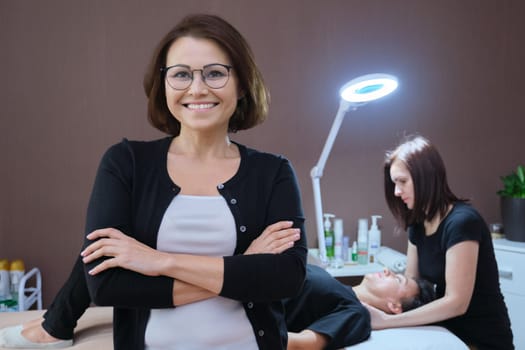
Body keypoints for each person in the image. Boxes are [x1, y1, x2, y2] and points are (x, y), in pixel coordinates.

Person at [3, 13, 309, 350]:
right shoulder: (127, 162)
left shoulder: (273, 172)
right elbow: (105, 285)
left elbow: (286, 278)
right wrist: (245, 269)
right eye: (180, 74)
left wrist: (161, 261)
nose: (197, 88)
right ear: (162, 85)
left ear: (242, 84)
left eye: (215, 73)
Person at [367, 134, 514, 350]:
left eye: (402, 182)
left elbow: (457, 302)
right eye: (394, 183)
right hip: (445, 333)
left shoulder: (462, 222)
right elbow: (412, 285)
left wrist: (387, 322)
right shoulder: (417, 224)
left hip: (483, 339)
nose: (397, 192)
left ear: (425, 177)